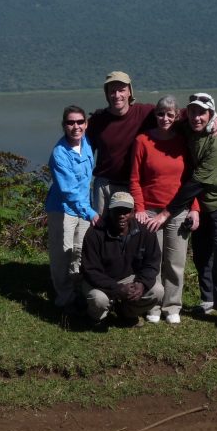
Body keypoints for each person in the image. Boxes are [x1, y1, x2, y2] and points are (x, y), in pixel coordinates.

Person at [148, 93, 217, 334]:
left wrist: (167, 212)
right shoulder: (187, 126)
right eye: (193, 112)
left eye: (202, 113)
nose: (196, 117)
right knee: (201, 253)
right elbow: (165, 116)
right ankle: (208, 301)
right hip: (201, 201)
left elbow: (195, 183)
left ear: (211, 115)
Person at [129, 95, 200, 325]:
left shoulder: (183, 142)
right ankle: (153, 304)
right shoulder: (142, 141)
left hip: (178, 210)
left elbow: (192, 180)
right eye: (161, 113)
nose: (165, 118)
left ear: (177, 115)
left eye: (170, 114)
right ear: (155, 115)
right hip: (150, 210)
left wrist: (195, 208)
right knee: (153, 261)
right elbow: (135, 179)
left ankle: (172, 306)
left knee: (175, 261)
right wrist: (139, 208)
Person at [45, 105, 99, 313]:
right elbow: (69, 190)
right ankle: (64, 299)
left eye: (80, 122)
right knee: (62, 254)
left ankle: (77, 291)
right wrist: (91, 212)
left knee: (80, 250)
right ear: (64, 126)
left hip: (84, 206)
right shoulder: (59, 154)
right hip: (63, 209)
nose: (75, 126)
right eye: (70, 122)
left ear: (86, 124)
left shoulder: (86, 142)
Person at [80, 191, 163, 328]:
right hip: (100, 281)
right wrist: (116, 288)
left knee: (157, 291)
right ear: (109, 211)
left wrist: (141, 284)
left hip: (128, 278)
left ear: (133, 212)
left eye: (126, 211)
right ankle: (96, 317)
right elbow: (90, 270)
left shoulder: (145, 231)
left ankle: (126, 313)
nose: (122, 216)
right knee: (98, 300)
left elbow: (152, 263)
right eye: (117, 211)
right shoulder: (94, 233)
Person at [85, 71, 156, 216]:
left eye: (122, 90)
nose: (117, 95)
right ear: (107, 94)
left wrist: (215, 119)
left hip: (134, 186)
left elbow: (176, 114)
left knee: (132, 231)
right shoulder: (98, 120)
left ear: (130, 91)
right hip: (104, 186)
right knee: (101, 228)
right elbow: (83, 151)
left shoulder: (145, 113)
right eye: (112, 91)